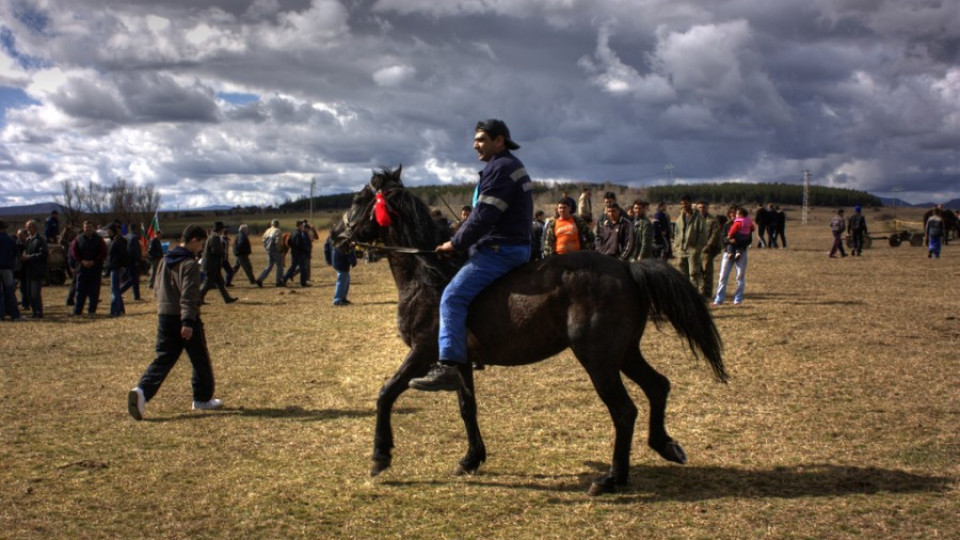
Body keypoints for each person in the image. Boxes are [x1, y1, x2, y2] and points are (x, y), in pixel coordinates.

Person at [409, 119, 533, 391]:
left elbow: (485, 217)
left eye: (480, 139)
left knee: (452, 297)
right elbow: (480, 215)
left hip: (501, 250)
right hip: (513, 245)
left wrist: (454, 244)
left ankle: (450, 366)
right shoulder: (509, 166)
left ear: (499, 141)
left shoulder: (499, 168)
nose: (474, 144)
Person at [128, 224, 224, 421]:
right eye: (201, 244)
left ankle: (141, 392)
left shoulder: (165, 260)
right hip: (184, 317)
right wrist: (188, 321)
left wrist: (164, 306)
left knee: (163, 359)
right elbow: (189, 295)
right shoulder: (189, 264)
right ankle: (202, 398)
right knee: (200, 359)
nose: (201, 249)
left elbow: (156, 286)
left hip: (164, 315)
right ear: (194, 240)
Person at [713, 205, 753, 306]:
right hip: (728, 253)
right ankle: (719, 299)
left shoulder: (744, 224)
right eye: (731, 213)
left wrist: (739, 241)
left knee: (740, 276)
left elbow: (749, 239)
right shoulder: (727, 225)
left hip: (741, 252)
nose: (733, 215)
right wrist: (729, 240)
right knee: (722, 276)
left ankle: (738, 299)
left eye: (735, 213)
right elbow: (722, 238)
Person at [70, 221, 107, 315]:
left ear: (93, 228)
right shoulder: (78, 239)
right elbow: (74, 251)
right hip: (82, 268)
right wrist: (81, 261)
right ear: (83, 228)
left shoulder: (99, 239)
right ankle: (77, 311)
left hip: (95, 268)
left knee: (94, 291)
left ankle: (92, 310)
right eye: (86, 227)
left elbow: (103, 252)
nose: (88, 229)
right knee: (80, 290)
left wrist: (93, 261)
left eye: (90, 227)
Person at [200, 221, 237, 304]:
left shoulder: (212, 236)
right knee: (208, 283)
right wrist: (223, 251)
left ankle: (227, 298)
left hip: (212, 264)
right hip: (211, 264)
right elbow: (215, 250)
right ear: (220, 229)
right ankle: (198, 297)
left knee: (220, 282)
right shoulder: (215, 237)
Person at [674, 195, 703, 287]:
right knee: (682, 275)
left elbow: (702, 234)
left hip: (692, 250)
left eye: (686, 203)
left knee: (693, 274)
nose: (684, 205)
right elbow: (677, 232)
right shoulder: (680, 217)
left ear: (690, 203)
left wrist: (697, 248)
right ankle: (685, 295)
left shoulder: (698, 217)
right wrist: (676, 246)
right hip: (681, 251)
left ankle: (694, 295)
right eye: (682, 204)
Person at [21, 220, 48, 318]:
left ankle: (38, 311)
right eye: (26, 226)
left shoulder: (40, 240)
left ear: (34, 227)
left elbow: (43, 254)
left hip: (37, 269)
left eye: (29, 226)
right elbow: (26, 251)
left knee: (35, 292)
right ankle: (34, 311)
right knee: (29, 292)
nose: (27, 229)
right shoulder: (28, 240)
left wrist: (29, 257)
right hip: (29, 269)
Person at [697, 201, 722, 298]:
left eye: (703, 207)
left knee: (707, 271)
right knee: (698, 271)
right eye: (699, 207)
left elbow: (714, 235)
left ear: (707, 208)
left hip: (708, 250)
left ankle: (707, 293)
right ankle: (700, 290)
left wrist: (707, 247)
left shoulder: (712, 220)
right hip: (697, 249)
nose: (701, 209)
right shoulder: (695, 220)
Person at [324, 235, 357, 305]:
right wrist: (353, 260)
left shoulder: (336, 238)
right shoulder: (343, 241)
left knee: (346, 281)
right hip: (342, 264)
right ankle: (337, 300)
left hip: (341, 264)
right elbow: (348, 251)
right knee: (341, 282)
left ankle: (343, 298)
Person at [0, 220, 22, 321]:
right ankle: (15, 314)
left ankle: (1, 314)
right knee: (10, 292)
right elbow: (15, 255)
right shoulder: (11, 240)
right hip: (8, 269)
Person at [106, 224, 127, 317]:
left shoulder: (117, 242)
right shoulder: (120, 241)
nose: (107, 232)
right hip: (118, 267)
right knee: (117, 289)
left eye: (109, 231)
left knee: (114, 290)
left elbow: (119, 256)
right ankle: (121, 309)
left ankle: (115, 311)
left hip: (116, 267)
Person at [257, 219, 284, 287]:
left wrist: (266, 248)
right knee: (280, 265)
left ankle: (260, 279)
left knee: (269, 266)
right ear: (278, 224)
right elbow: (278, 241)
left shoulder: (267, 231)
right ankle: (279, 282)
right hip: (275, 250)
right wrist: (279, 249)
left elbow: (263, 240)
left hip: (268, 250)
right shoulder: (278, 231)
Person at [119, 225, 143, 301]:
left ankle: (137, 296)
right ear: (135, 229)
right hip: (133, 261)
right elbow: (135, 250)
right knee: (133, 279)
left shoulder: (125, 237)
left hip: (127, 260)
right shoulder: (134, 238)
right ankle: (119, 291)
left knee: (135, 279)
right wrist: (137, 260)